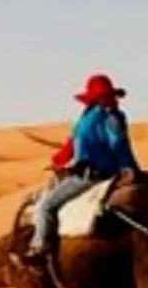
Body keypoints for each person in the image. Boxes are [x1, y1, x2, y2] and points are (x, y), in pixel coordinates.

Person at [25, 74, 139, 265]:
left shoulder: (103, 118)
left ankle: (40, 249)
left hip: (90, 177)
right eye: (107, 96)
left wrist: (126, 168)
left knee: (45, 206)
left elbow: (117, 144)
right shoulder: (97, 117)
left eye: (111, 96)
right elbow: (74, 145)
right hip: (92, 172)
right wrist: (58, 161)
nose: (112, 100)